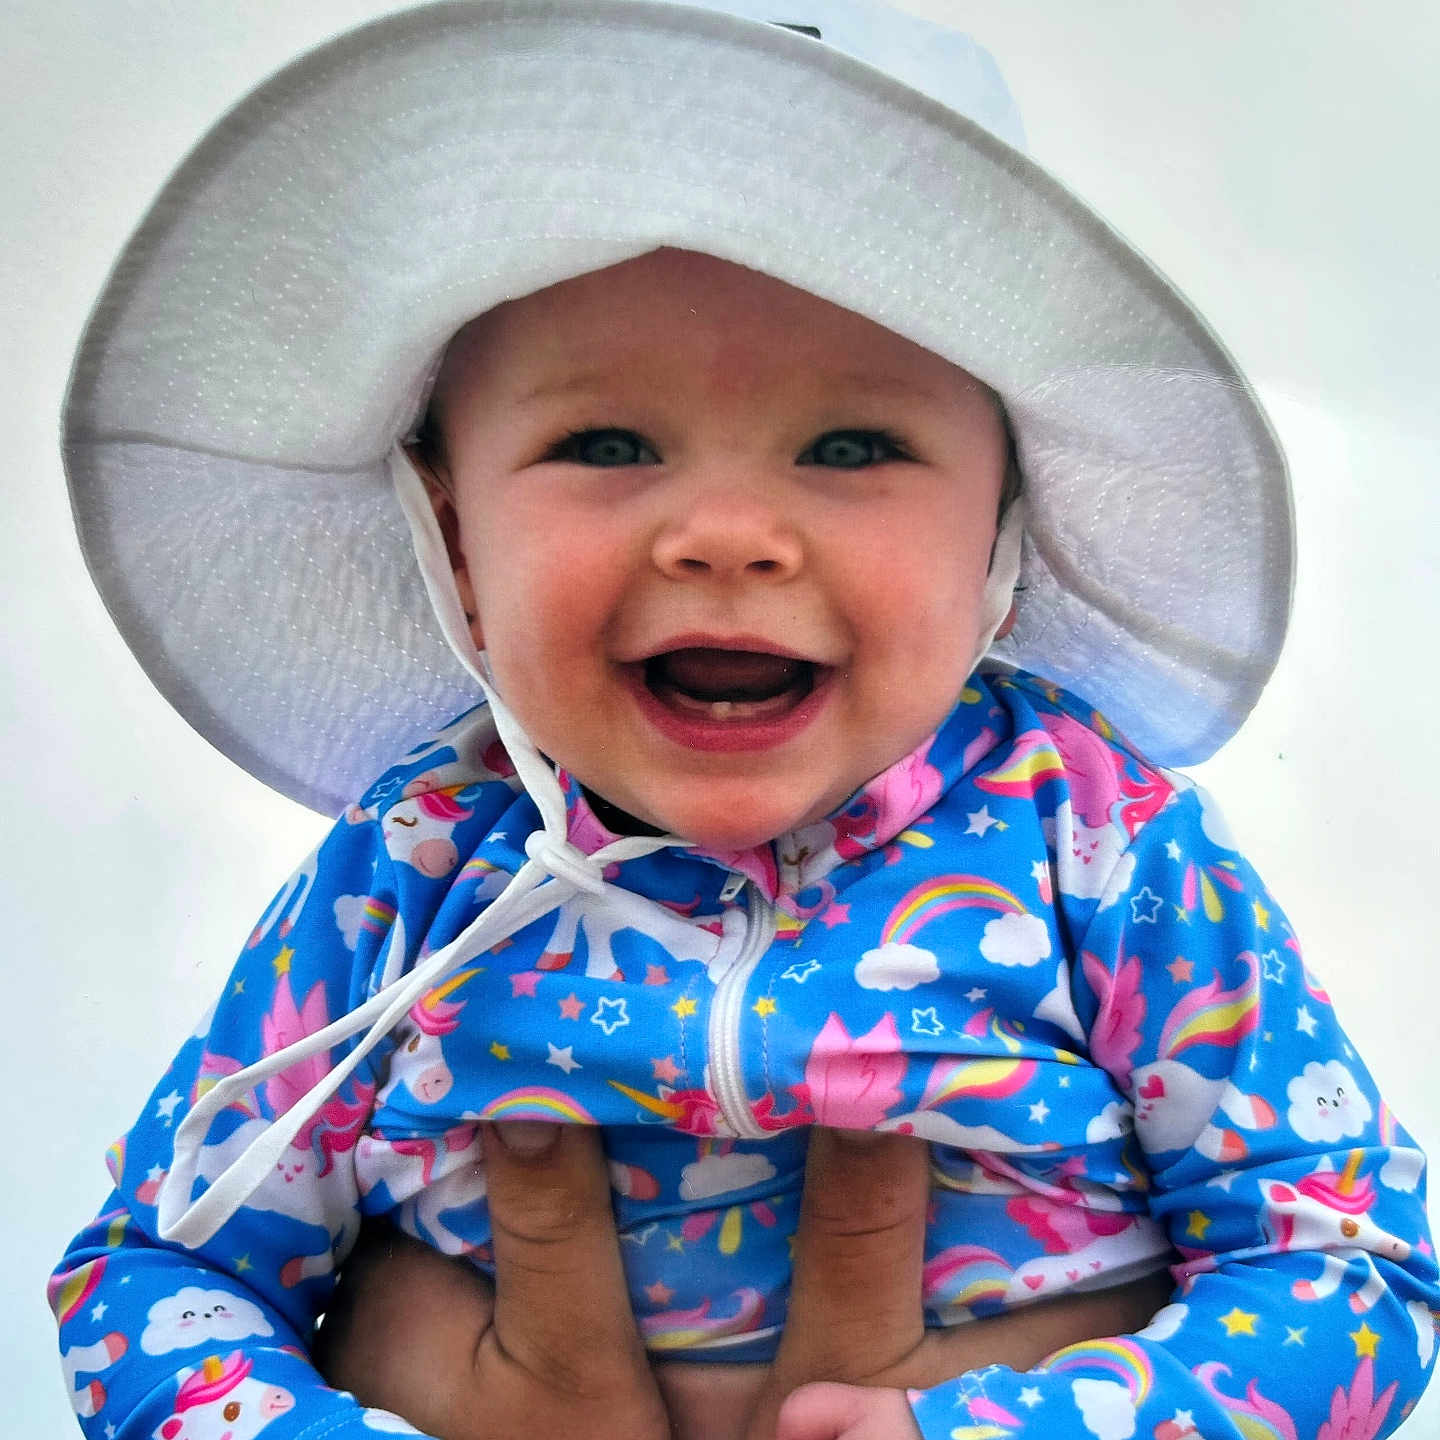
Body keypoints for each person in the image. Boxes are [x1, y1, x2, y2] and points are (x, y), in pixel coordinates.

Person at [46, 4, 1437, 1440]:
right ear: (453, 541)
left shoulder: (1097, 841)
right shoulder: (417, 860)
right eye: (604, 443)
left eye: (853, 447)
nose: (723, 534)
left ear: (1005, 542)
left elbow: (1347, 1267)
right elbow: (151, 1274)